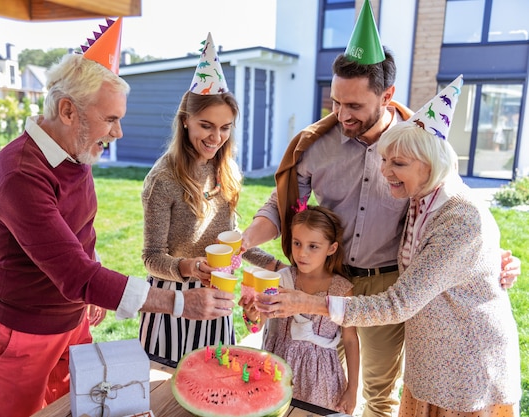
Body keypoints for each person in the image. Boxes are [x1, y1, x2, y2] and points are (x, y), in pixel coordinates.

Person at [241, 3, 521, 416]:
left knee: (377, 389)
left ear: (387, 96)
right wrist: (246, 240)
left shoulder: (417, 148)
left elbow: (454, 210)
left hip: (387, 283)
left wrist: (488, 258)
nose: (341, 114)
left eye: (354, 106)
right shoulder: (314, 144)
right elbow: (282, 205)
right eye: (335, 102)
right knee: (313, 376)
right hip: (326, 273)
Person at [0, 21, 234, 417]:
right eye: (110, 119)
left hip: (72, 320)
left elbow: (74, 237)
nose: (117, 132)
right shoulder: (19, 174)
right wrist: (181, 303)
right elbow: (73, 273)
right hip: (24, 330)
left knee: (75, 410)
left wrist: (93, 278)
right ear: (68, 110)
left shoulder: (75, 152)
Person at [139, 33, 275, 362]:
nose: (216, 137)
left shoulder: (226, 171)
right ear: (185, 121)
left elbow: (229, 240)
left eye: (225, 127)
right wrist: (190, 266)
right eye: (206, 125)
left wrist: (275, 266)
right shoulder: (163, 180)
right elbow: (152, 258)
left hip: (218, 298)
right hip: (172, 303)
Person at [241, 204, 359, 414]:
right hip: (276, 365)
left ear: (331, 248)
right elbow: (257, 326)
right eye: (297, 243)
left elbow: (350, 340)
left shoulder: (342, 289)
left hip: (320, 376)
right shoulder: (281, 280)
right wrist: (251, 315)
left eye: (313, 246)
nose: (302, 253)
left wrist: (352, 389)